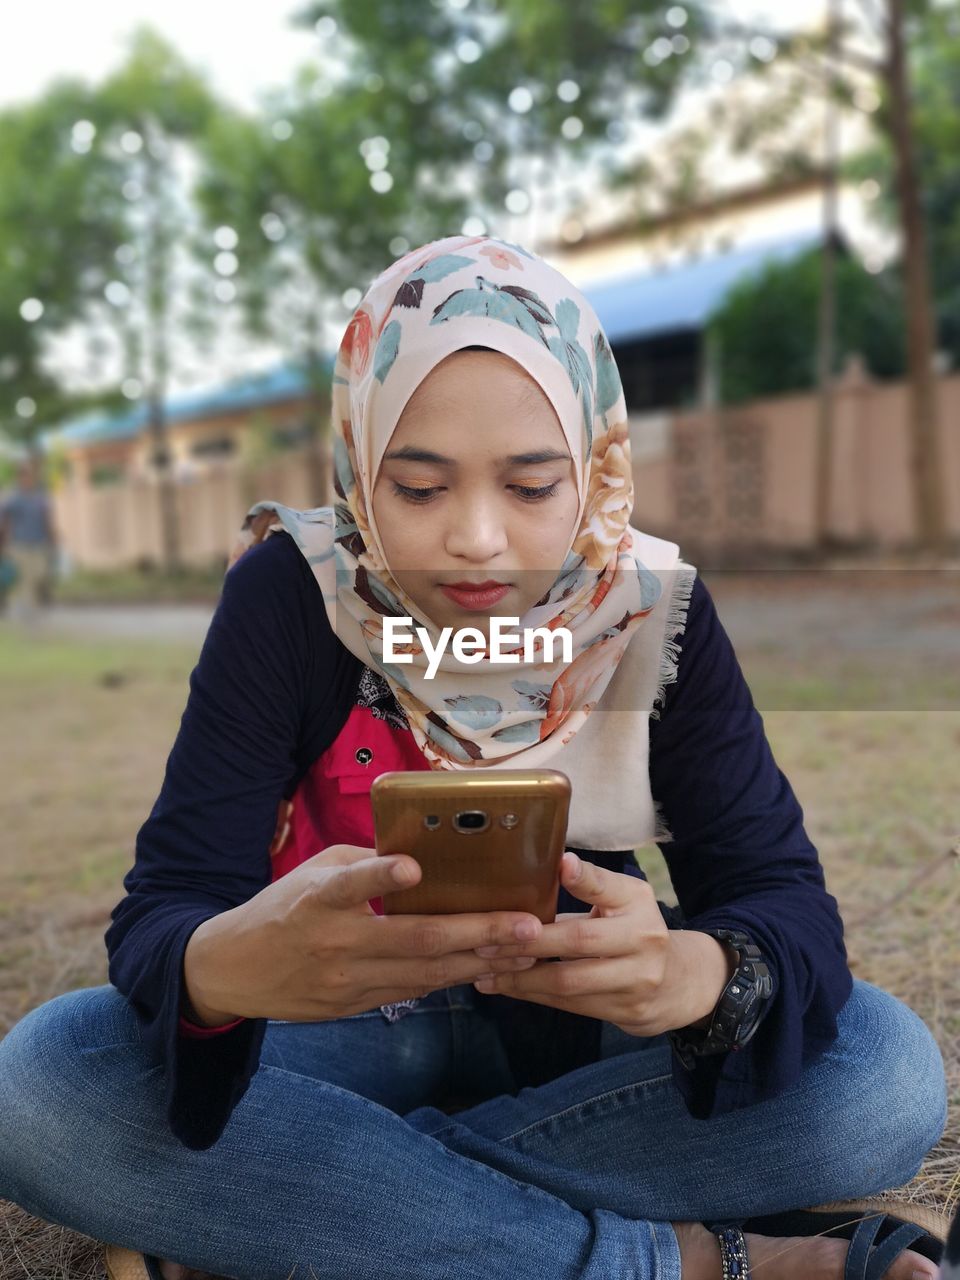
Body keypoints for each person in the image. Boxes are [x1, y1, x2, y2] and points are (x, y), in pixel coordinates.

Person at [0, 236, 949, 1280]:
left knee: (883, 1073)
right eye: (418, 488)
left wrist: (697, 974)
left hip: (573, 1029)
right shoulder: (289, 594)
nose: (479, 540)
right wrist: (223, 967)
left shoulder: (652, 612)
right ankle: (688, 1261)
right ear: (361, 466)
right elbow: (167, 907)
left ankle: (286, 1222)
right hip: (327, 1034)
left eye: (534, 485)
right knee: (41, 1085)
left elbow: (781, 897)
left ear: (594, 468)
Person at [0, 456, 57, 622]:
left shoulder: (41, 496)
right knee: (25, 577)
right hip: (19, 543)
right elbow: (4, 520)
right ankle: (29, 612)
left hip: (39, 542)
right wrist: (3, 541)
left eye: (30, 475)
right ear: (20, 477)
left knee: (40, 573)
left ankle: (22, 604)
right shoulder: (13, 497)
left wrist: (53, 536)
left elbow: (47, 518)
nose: (28, 478)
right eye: (24, 475)